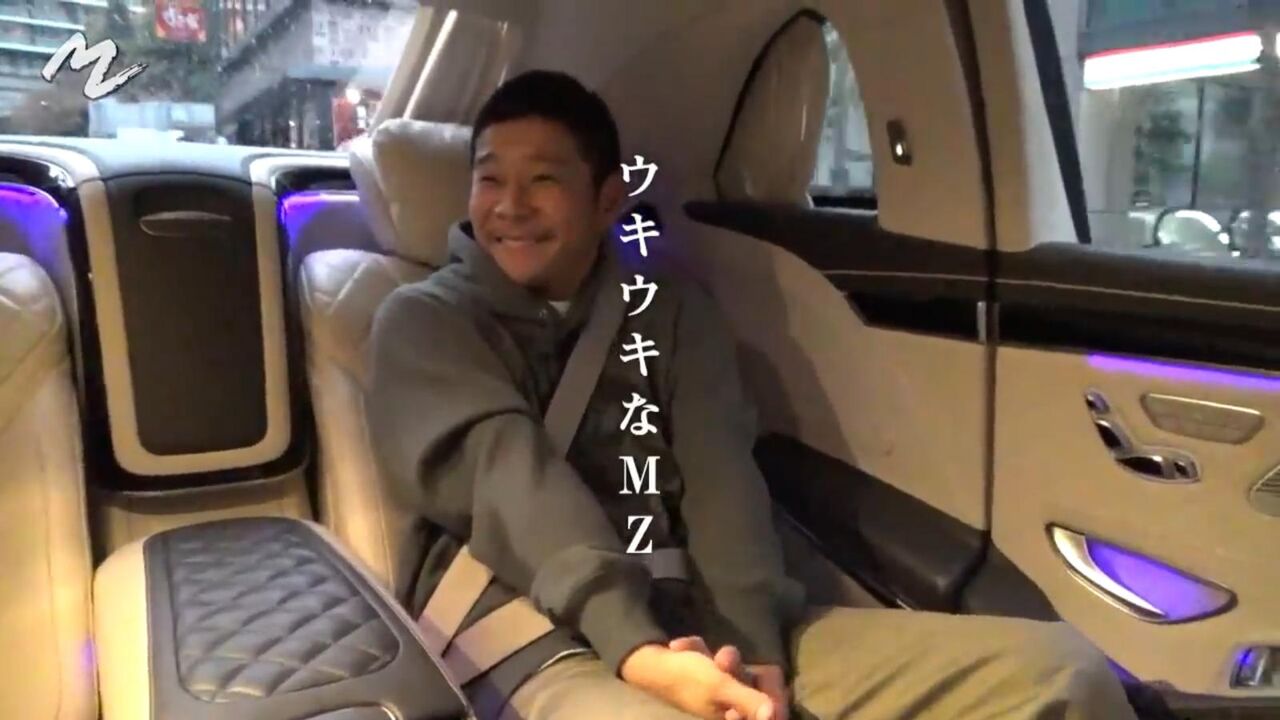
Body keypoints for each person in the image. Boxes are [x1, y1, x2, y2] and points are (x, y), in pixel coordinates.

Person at [365, 70, 1141, 720]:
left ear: (607, 200)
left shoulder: (671, 314)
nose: (510, 205)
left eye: (543, 179)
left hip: (698, 619)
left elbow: (722, 482)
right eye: (490, 178)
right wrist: (639, 650)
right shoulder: (422, 323)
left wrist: (754, 650)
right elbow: (510, 475)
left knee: (1061, 672)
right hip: (526, 636)